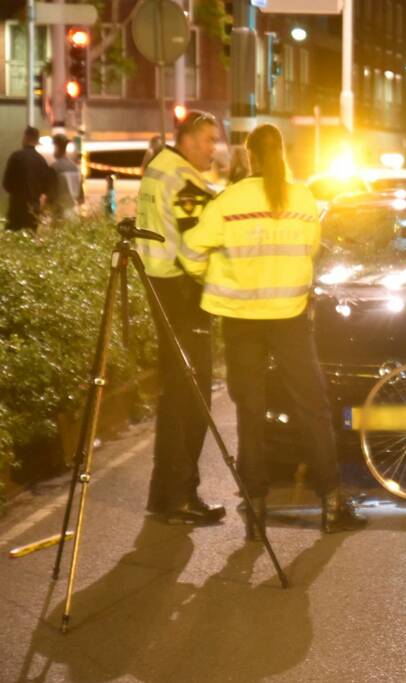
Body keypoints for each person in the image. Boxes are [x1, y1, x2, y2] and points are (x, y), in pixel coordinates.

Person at [180, 123, 367, 538]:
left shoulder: (229, 201)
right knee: (312, 406)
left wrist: (209, 278)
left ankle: (257, 506)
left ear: (250, 156)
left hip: (241, 319)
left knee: (250, 410)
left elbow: (191, 251)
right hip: (289, 317)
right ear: (281, 155)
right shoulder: (302, 200)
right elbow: (311, 249)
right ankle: (332, 502)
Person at [136, 110, 223, 525]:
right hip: (184, 293)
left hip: (159, 287)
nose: (213, 149)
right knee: (192, 397)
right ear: (187, 138)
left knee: (175, 394)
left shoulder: (157, 167)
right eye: (208, 140)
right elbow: (194, 251)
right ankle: (180, 495)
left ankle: (164, 494)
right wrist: (224, 284)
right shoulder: (186, 181)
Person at [3, 126, 54, 231]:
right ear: (36, 140)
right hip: (33, 209)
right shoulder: (41, 161)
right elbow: (47, 187)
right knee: (30, 240)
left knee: (13, 240)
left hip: (16, 208)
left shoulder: (16, 157)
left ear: (26, 137)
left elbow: (6, 183)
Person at [50, 133, 83, 221]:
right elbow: (81, 198)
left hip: (58, 214)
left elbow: (51, 194)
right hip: (73, 214)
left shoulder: (54, 167)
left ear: (56, 147)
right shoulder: (75, 168)